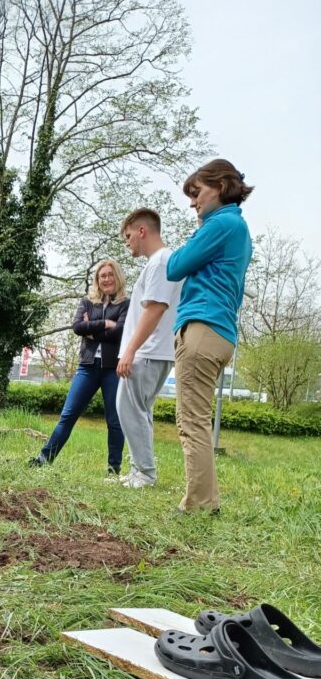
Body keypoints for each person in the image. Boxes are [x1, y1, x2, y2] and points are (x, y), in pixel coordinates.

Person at [166, 159, 253, 513]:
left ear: (220, 186)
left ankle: (199, 505)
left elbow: (175, 267)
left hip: (202, 327)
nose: (192, 202)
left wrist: (201, 226)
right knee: (197, 419)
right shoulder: (236, 227)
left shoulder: (221, 224)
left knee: (192, 422)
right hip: (219, 331)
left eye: (197, 193)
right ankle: (206, 500)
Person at [28, 260, 129, 476]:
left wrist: (91, 330)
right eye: (102, 276)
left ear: (117, 277)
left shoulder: (126, 304)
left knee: (114, 420)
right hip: (88, 366)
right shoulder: (87, 302)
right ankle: (44, 459)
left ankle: (114, 469)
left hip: (113, 369)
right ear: (97, 280)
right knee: (68, 415)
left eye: (110, 275)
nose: (107, 279)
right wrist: (104, 324)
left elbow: (120, 332)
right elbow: (77, 327)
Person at [115, 208, 182, 488]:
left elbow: (155, 309)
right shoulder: (165, 261)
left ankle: (145, 473)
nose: (127, 242)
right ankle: (138, 470)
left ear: (142, 231)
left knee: (129, 408)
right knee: (139, 411)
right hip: (154, 351)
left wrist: (130, 350)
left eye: (129, 236)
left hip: (149, 351)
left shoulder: (160, 262)